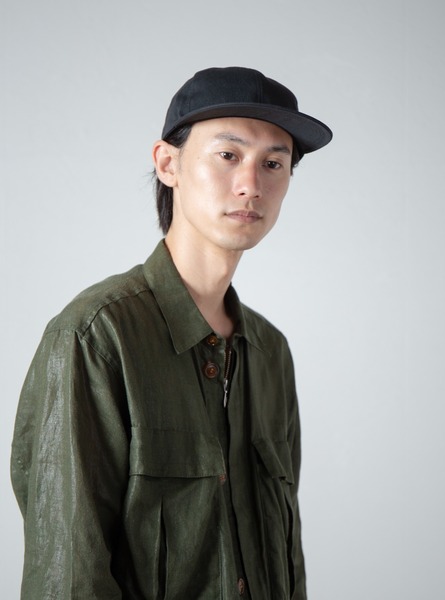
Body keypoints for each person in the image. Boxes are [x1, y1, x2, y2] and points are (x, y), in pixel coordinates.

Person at [11, 66, 332, 599]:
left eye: (273, 163)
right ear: (168, 163)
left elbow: (287, 562)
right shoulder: (97, 336)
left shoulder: (269, 351)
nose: (251, 184)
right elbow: (68, 577)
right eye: (227, 155)